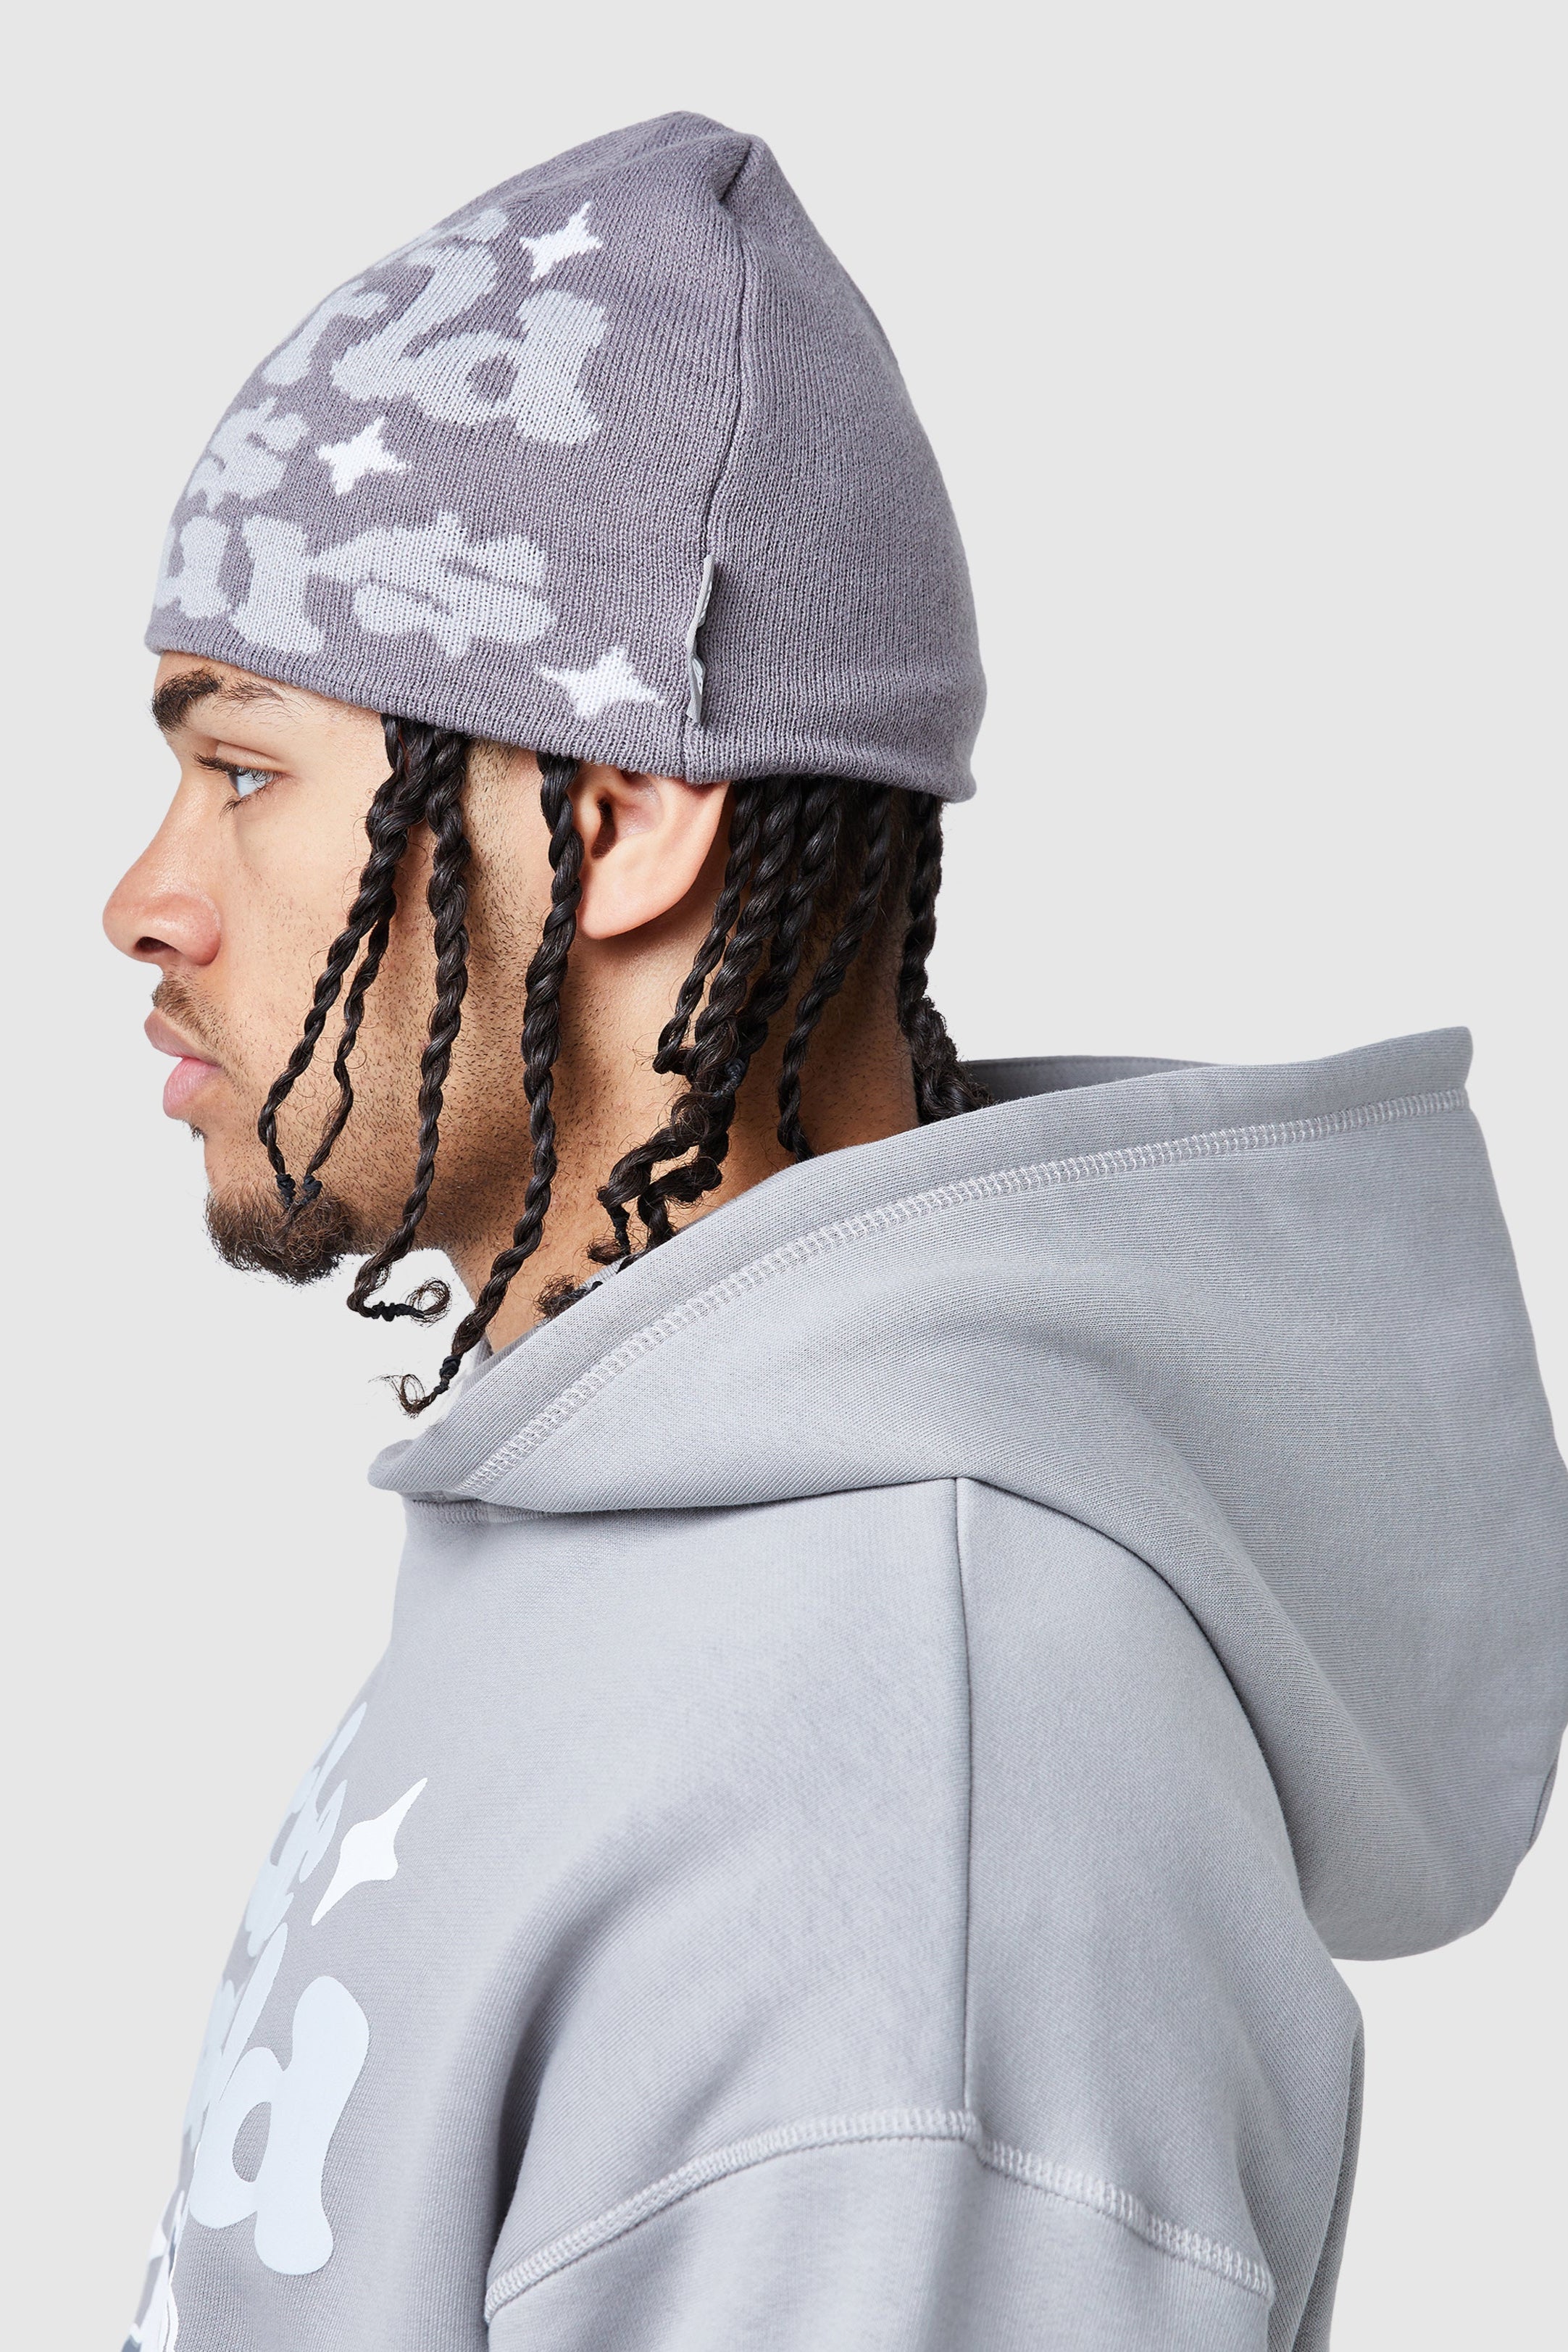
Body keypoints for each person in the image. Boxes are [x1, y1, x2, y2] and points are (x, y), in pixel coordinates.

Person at [107, 112, 1568, 2352]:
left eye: (243, 770)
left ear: (615, 823)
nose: (145, 898)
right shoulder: (657, 1561)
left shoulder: (918, 1819)